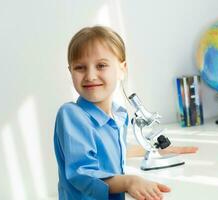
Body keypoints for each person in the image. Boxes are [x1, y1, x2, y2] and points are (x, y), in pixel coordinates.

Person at [54, 25, 198, 200]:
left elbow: (117, 150)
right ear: (70, 71)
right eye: (80, 68)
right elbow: (83, 174)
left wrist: (157, 150)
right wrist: (129, 182)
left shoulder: (119, 115)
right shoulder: (71, 115)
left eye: (101, 65)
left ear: (122, 69)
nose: (90, 76)